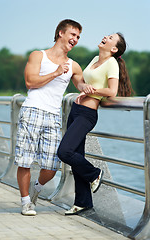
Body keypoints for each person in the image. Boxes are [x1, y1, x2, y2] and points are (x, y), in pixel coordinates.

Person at [14, 19, 92, 216]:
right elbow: (30, 82)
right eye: (73, 35)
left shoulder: (73, 65)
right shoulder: (38, 55)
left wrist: (89, 89)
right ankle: (25, 203)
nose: (75, 39)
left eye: (78, 37)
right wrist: (56, 73)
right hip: (32, 110)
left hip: (53, 116)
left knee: (52, 166)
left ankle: (37, 189)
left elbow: (80, 85)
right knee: (25, 160)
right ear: (60, 33)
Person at [57, 32, 133, 215]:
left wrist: (92, 91)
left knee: (64, 152)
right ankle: (82, 202)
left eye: (110, 37)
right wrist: (83, 88)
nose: (105, 37)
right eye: (106, 35)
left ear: (114, 49)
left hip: (87, 114)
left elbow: (112, 91)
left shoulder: (111, 63)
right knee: (76, 155)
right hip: (75, 111)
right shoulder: (93, 59)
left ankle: (94, 174)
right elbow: (84, 82)